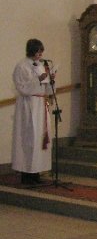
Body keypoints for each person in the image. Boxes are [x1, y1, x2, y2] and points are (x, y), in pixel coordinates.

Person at [12, 39, 54, 185]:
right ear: (31, 50)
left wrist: (51, 80)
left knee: (40, 139)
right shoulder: (22, 66)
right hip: (28, 105)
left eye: (41, 51)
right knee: (29, 138)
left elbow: (47, 88)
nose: (40, 54)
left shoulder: (40, 65)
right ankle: (26, 175)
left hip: (40, 105)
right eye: (38, 51)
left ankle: (36, 172)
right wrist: (38, 80)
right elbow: (22, 87)